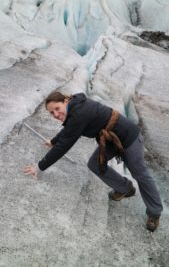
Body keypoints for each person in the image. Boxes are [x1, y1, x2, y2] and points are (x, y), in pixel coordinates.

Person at [24, 91, 163, 232]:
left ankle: (154, 212)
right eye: (52, 113)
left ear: (65, 101)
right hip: (111, 140)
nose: (56, 114)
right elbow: (68, 131)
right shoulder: (75, 108)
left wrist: (39, 167)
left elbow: (64, 144)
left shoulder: (79, 112)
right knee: (95, 164)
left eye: (57, 108)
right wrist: (53, 141)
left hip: (128, 137)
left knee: (140, 174)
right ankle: (125, 188)